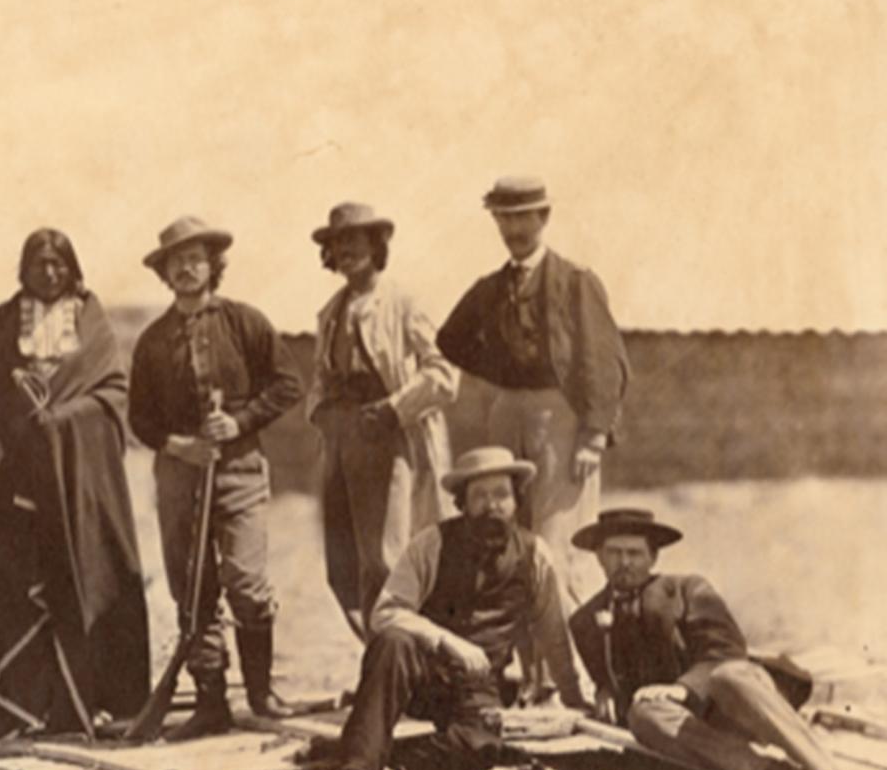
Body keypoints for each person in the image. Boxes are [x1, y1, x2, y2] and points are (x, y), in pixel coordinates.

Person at [129, 216, 303, 738]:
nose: (186, 268)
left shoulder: (245, 322)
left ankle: (260, 691)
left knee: (246, 583)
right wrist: (178, 444)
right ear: (165, 273)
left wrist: (239, 422)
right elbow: (139, 418)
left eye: (195, 257)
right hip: (180, 477)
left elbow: (288, 384)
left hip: (241, 471)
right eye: (175, 261)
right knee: (193, 589)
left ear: (213, 265)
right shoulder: (153, 341)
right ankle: (210, 702)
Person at [567, 508, 854, 770]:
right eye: (614, 553)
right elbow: (610, 679)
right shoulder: (585, 621)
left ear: (653, 558)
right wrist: (605, 690)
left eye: (634, 553)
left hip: (737, 702)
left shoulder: (687, 589)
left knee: (729, 676)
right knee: (643, 715)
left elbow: (727, 650)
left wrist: (682, 689)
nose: (624, 562)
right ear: (598, 557)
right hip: (688, 729)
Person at [0, 230, 150, 735]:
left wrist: (61, 420)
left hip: (80, 481)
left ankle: (94, 701)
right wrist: (16, 439)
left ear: (73, 268)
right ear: (23, 270)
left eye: (58, 263)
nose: (49, 272)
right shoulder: (5, 322)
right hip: (19, 479)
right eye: (38, 263)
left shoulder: (91, 318)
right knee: (21, 581)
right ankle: (27, 703)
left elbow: (113, 393)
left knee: (87, 578)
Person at [332, 447, 588, 770]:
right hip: (425, 678)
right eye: (479, 496)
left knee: (480, 750)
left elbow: (553, 634)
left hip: (479, 687)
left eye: (501, 494)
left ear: (516, 501)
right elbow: (385, 612)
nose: (491, 505)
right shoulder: (431, 544)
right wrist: (446, 640)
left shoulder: (534, 554)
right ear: (462, 503)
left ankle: (392, 758)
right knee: (392, 642)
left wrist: (573, 698)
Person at [436, 177, 630, 612]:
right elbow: (449, 339)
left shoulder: (576, 281)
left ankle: (573, 672)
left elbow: (605, 362)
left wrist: (594, 435)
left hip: (561, 416)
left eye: (522, 216)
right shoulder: (491, 287)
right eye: (503, 218)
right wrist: (504, 371)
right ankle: (532, 673)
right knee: (509, 542)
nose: (512, 228)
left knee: (559, 544)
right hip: (506, 415)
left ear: (544, 217)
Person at [306, 203, 458, 641]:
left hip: (392, 439)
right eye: (338, 243)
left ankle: (416, 659)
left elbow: (444, 373)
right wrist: (321, 414)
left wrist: (395, 408)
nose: (347, 250)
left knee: (389, 558)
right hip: (341, 441)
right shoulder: (329, 312)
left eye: (357, 240)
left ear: (376, 246)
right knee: (344, 563)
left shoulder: (403, 303)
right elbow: (319, 378)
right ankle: (380, 658)